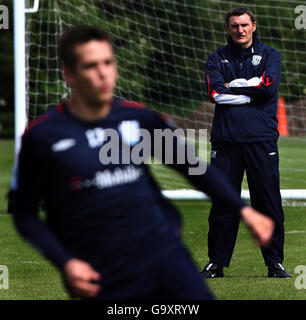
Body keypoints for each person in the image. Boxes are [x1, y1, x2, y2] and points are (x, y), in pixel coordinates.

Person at [14, 25, 274, 300]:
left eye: (108, 62)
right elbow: (25, 214)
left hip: (166, 256)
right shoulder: (43, 136)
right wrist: (65, 262)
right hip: (102, 272)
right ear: (69, 75)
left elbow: (193, 168)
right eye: (91, 66)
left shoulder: (138, 119)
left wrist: (244, 211)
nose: (103, 74)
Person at [202, 8, 291, 279]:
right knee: (223, 202)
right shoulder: (216, 57)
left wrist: (236, 86)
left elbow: (267, 86)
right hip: (225, 141)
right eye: (234, 26)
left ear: (254, 26)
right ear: (228, 29)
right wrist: (251, 89)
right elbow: (215, 93)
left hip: (261, 140)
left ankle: (274, 263)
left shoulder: (270, 55)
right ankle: (216, 264)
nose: (239, 30)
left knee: (267, 202)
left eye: (244, 24)